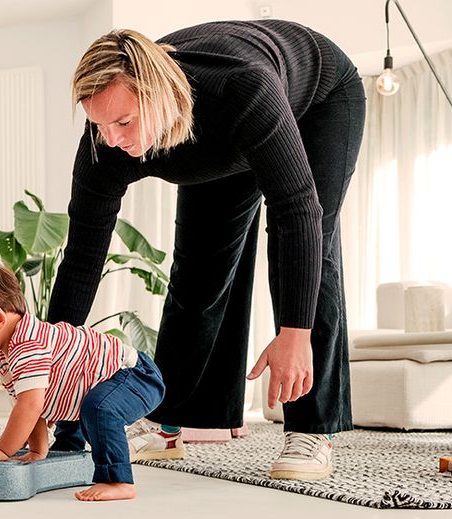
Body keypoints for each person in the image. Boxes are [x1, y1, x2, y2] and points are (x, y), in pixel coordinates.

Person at [48, 19, 365, 481]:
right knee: (198, 269)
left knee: (311, 248)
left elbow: (298, 213)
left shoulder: (240, 89)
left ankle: (312, 428)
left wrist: (295, 334)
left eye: (124, 121)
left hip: (318, 98)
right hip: (217, 135)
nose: (113, 138)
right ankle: (169, 419)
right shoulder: (105, 143)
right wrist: (50, 356)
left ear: (157, 94)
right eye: (99, 124)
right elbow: (81, 258)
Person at [0, 262, 177, 502]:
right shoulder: (8, 360)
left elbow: (30, 405)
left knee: (99, 408)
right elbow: (31, 407)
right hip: (103, 381)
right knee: (82, 408)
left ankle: (118, 480)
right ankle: (72, 454)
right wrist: (38, 450)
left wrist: (2, 449)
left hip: (135, 375)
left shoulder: (28, 345)